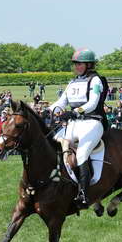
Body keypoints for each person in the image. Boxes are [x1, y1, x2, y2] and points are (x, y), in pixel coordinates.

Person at [48, 48, 108, 207]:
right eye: (75, 63)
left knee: (81, 154)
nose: (76, 66)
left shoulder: (95, 80)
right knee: (53, 144)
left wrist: (75, 112)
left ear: (88, 64)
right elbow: (62, 102)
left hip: (92, 123)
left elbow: (93, 104)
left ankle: (83, 194)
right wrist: (48, 111)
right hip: (74, 124)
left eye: (79, 63)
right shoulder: (73, 82)